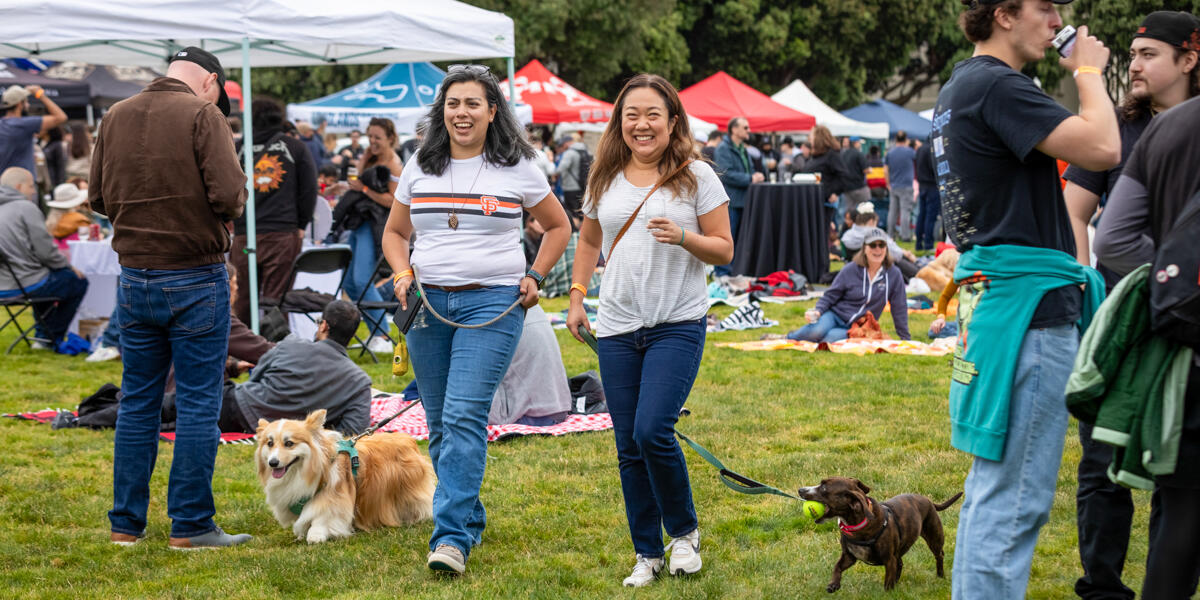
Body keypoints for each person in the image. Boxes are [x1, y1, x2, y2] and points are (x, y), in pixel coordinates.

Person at [933, 2, 1120, 597]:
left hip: (999, 307)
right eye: (1046, 7)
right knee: (1014, 505)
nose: (1057, 18)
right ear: (1004, 15)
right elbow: (1103, 148)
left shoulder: (962, 84)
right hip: (1028, 316)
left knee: (992, 493)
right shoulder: (997, 85)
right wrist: (1087, 71)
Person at [381, 63, 569, 575]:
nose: (461, 113)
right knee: (441, 423)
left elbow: (558, 226)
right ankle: (469, 515)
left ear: (492, 111)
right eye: (453, 103)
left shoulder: (518, 166)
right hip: (427, 306)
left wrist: (535, 275)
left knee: (464, 416)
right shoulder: (421, 163)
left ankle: (450, 539)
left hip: (494, 303)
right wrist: (402, 274)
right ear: (442, 111)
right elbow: (395, 234)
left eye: (472, 104)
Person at [565, 73, 734, 587]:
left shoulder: (697, 176)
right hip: (616, 325)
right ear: (620, 122)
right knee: (626, 444)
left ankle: (684, 534)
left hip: (676, 324)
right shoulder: (605, 176)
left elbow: (725, 248)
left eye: (652, 115)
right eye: (631, 115)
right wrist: (576, 296)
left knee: (651, 430)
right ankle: (647, 552)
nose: (641, 124)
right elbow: (589, 242)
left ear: (672, 121)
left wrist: (684, 236)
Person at [89, 46, 251, 550]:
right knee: (199, 403)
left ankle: (125, 526)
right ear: (210, 82)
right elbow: (229, 196)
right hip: (193, 276)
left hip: (135, 276)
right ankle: (191, 525)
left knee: (137, 401)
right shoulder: (204, 114)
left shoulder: (115, 114)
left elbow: (96, 198)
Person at [1062, 11, 1200, 600]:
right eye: (1132, 54)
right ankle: (1103, 587)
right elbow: (1076, 212)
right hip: (1122, 319)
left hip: (1183, 327)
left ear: (1189, 60)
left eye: (1148, 54)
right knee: (1101, 462)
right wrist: (1105, 292)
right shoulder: (1115, 129)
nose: (1134, 65)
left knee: (1182, 477)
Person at [1093, 85, 1200, 600]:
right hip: (1174, 326)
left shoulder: (1167, 128)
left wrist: (1168, 277)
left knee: (1182, 508)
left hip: (1178, 338)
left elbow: (1110, 237)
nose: (1134, 64)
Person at [220, 300, 370, 436]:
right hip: (292, 431)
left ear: (324, 326)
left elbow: (255, 377)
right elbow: (352, 431)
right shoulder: (359, 381)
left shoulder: (291, 344)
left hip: (238, 409)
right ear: (353, 333)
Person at [229, 98, 317, 326]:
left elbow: (225, 187)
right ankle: (275, 351)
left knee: (241, 299)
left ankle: (242, 354)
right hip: (282, 234)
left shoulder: (237, 149)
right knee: (276, 301)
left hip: (243, 235)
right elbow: (309, 190)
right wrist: (301, 225)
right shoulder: (295, 147)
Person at [0, 167, 88, 348]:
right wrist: (69, 267)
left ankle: (43, 334)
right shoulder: (26, 208)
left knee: (47, 277)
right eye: (31, 186)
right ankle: (49, 337)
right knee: (76, 282)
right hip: (25, 285)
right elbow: (46, 252)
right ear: (19, 187)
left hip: (5, 285)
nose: (34, 191)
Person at [340, 117, 403, 355]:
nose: (373, 141)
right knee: (349, 282)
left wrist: (364, 189)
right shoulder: (371, 157)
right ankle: (376, 330)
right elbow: (355, 180)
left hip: (375, 226)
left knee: (362, 280)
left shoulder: (395, 165)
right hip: (359, 223)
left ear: (389, 138)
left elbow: (394, 200)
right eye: (370, 136)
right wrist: (364, 160)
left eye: (377, 137)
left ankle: (382, 334)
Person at [788, 228, 909, 343]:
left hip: (859, 325)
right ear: (864, 249)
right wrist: (818, 311)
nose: (878, 249)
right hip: (835, 315)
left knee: (829, 340)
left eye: (881, 245)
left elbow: (899, 306)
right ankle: (788, 337)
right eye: (873, 245)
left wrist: (905, 338)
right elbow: (831, 295)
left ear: (886, 249)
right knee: (816, 331)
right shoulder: (850, 269)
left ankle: (814, 336)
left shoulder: (894, 274)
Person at [713, 116, 763, 276]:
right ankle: (722, 272)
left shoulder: (742, 148)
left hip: (743, 200)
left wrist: (755, 175)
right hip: (731, 201)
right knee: (728, 238)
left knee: (739, 239)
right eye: (745, 127)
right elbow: (725, 173)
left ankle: (734, 271)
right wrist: (750, 178)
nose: (749, 130)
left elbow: (746, 170)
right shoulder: (723, 148)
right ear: (734, 129)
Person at [0, 84, 67, 185]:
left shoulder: (3, 124)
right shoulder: (24, 124)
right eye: (26, 102)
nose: (28, 105)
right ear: (19, 104)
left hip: (4, 181)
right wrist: (40, 94)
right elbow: (61, 117)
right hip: (22, 183)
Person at [841, 204, 921, 281]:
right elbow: (896, 254)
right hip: (880, 268)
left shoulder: (846, 236)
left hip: (856, 270)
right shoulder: (876, 235)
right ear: (871, 221)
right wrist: (907, 255)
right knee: (900, 260)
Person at [801, 125, 854, 210]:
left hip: (826, 201)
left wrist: (835, 192)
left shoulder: (831, 155)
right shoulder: (815, 156)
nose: (809, 138)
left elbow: (844, 176)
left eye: (811, 135)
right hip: (813, 199)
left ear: (818, 137)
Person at [884, 130, 917, 241]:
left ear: (896, 139)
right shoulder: (910, 152)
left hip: (894, 185)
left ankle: (890, 235)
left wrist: (888, 184)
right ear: (906, 139)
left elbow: (885, 170)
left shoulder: (890, 153)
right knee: (905, 211)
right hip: (906, 185)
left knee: (892, 212)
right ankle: (905, 236)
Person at [840, 136, 871, 221]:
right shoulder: (859, 154)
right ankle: (864, 226)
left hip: (846, 188)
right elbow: (866, 170)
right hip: (859, 187)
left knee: (849, 211)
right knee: (866, 209)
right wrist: (870, 170)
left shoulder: (843, 154)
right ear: (856, 143)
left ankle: (847, 229)